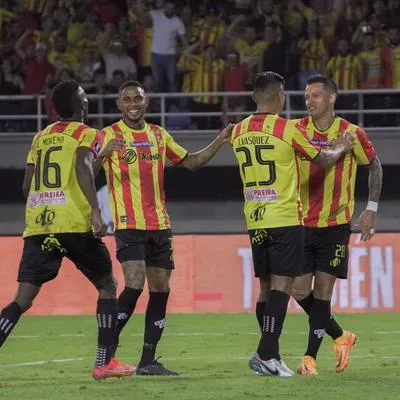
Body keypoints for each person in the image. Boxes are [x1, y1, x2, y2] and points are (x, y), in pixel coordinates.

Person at [95, 80, 233, 376]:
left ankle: (148, 361)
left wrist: (220, 141)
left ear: (146, 103)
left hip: (159, 225)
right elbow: (84, 170)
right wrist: (101, 154)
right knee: (134, 282)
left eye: (138, 99)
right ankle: (106, 354)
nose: (133, 103)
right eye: (127, 99)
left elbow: (192, 162)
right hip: (128, 224)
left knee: (161, 289)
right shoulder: (107, 135)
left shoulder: (158, 135)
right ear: (119, 105)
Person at [0, 80, 135, 381]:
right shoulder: (88, 133)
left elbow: (27, 186)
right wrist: (97, 212)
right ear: (79, 105)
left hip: (39, 225)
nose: (87, 101)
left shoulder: (41, 137)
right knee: (108, 286)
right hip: (73, 223)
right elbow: (80, 167)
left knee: (22, 299)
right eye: (84, 97)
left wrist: (46, 206)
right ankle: (104, 362)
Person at [230, 71, 354, 377]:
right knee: (284, 287)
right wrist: (340, 146)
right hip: (285, 217)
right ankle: (266, 355)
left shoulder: (238, 131)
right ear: (278, 96)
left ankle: (269, 355)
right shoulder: (286, 129)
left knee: (266, 289)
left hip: (255, 218)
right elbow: (323, 160)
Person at [292, 75, 382, 376]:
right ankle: (341, 336)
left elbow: (374, 165)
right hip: (300, 222)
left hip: (335, 224)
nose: (309, 100)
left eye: (316, 95)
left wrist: (371, 208)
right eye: (307, 95)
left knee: (323, 293)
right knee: (298, 288)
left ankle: (309, 359)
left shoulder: (352, 133)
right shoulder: (295, 130)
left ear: (332, 98)